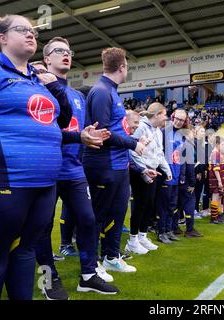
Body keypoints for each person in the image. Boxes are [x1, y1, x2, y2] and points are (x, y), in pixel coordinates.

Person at [0, 15, 74, 300]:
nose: (31, 35)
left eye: (33, 31)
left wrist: (53, 85)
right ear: (2, 38)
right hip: (1, 186)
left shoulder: (38, 80)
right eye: (22, 30)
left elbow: (62, 120)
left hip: (44, 188)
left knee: (25, 253)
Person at [33, 38, 118, 299]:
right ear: (46, 59)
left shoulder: (79, 96)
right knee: (43, 227)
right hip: (46, 169)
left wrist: (87, 135)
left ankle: (88, 276)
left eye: (68, 52)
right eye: (59, 51)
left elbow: (76, 132)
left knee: (88, 219)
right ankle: (50, 279)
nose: (66, 55)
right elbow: (46, 130)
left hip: (73, 169)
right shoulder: (37, 88)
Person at [83, 48, 146, 273]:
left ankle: (111, 256)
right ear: (122, 67)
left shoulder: (111, 91)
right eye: (127, 65)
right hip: (103, 164)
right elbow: (103, 133)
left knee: (118, 213)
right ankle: (91, 266)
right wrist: (133, 143)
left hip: (119, 165)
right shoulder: (101, 91)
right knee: (97, 217)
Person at [127, 103, 171, 253]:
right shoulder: (141, 127)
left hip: (153, 170)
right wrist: (143, 169)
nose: (166, 117)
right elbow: (131, 149)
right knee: (140, 205)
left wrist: (166, 168)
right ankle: (132, 240)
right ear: (157, 114)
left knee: (149, 205)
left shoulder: (158, 131)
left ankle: (142, 236)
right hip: (139, 171)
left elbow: (159, 153)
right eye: (164, 114)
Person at [157, 108, 187, 241]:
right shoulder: (163, 132)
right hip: (165, 176)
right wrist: (162, 173)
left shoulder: (182, 135)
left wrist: (182, 176)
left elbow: (181, 157)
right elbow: (158, 154)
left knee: (172, 206)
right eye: (178, 119)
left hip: (176, 176)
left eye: (182, 120)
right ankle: (161, 231)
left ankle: (169, 230)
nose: (179, 122)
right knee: (163, 206)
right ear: (173, 117)